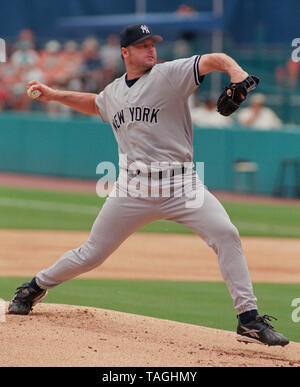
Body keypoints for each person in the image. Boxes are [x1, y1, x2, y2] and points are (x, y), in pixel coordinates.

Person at [8, 24, 289, 347]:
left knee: (226, 234)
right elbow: (96, 104)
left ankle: (249, 319)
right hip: (132, 189)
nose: (151, 50)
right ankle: (34, 286)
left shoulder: (170, 74)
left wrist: (238, 75)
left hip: (183, 185)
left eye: (152, 44)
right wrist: (54, 94)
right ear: (125, 52)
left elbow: (215, 58)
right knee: (92, 254)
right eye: (142, 46)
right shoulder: (114, 91)